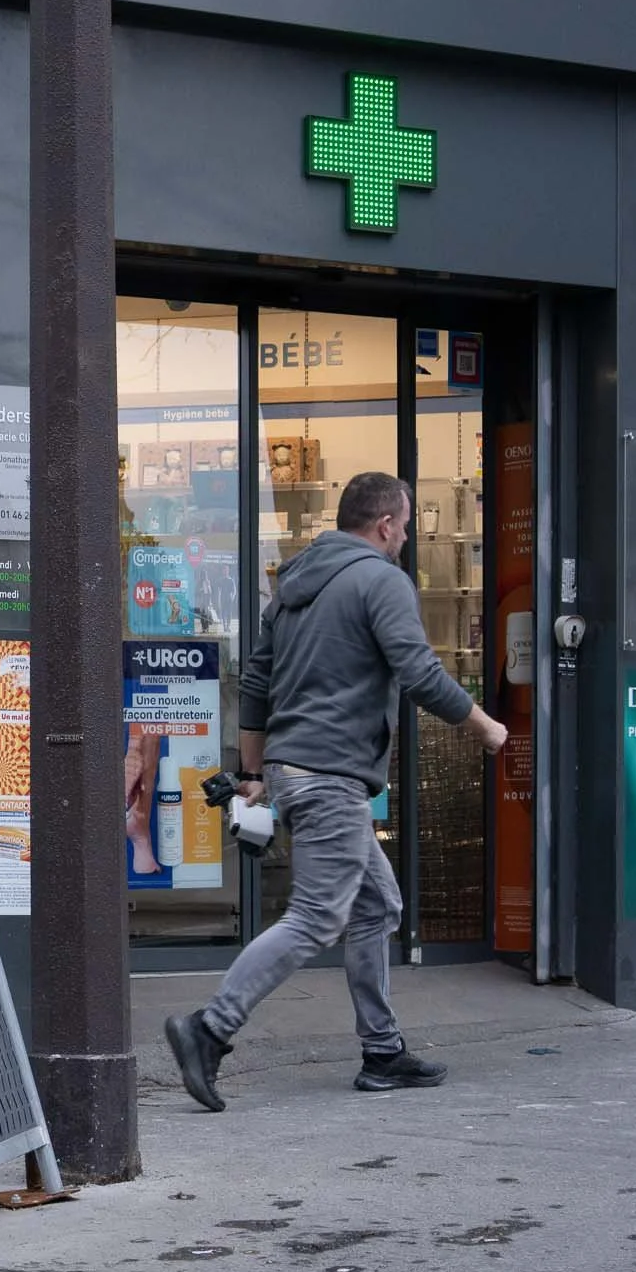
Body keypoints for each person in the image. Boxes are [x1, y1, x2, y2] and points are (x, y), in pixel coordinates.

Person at [165, 471, 509, 1109]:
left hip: (299, 773)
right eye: (405, 526)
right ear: (384, 525)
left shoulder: (294, 583)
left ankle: (382, 1053)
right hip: (329, 780)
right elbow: (419, 671)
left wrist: (256, 772)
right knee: (318, 915)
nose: (405, 536)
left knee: (377, 907)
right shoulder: (382, 580)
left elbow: (257, 682)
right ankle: (209, 1028)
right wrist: (484, 725)